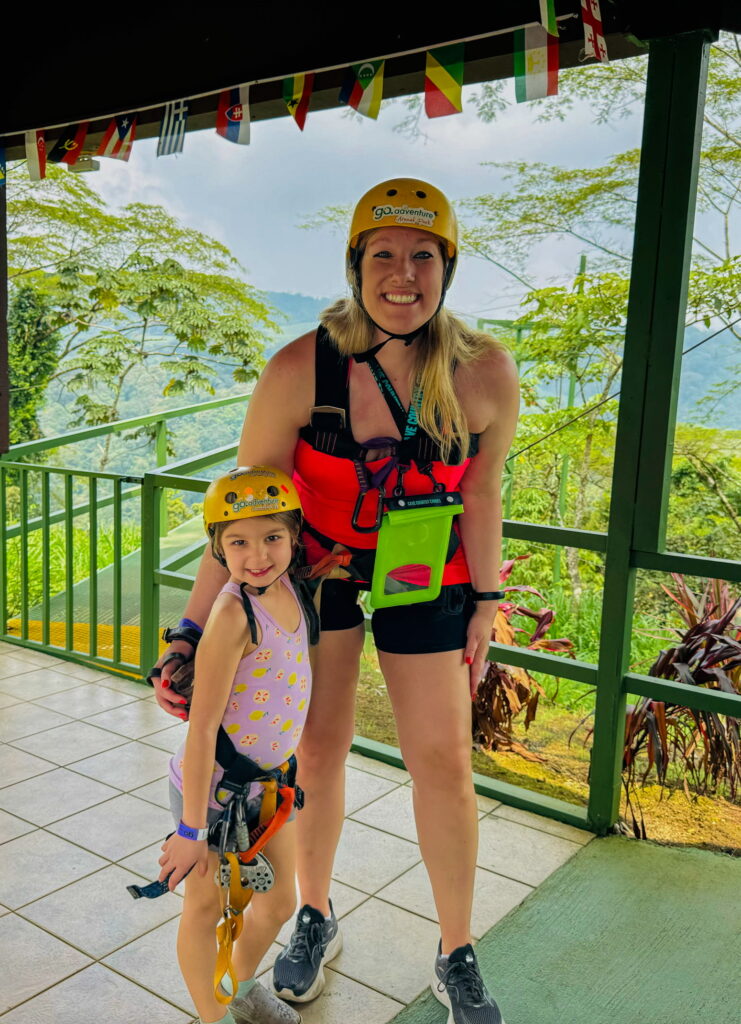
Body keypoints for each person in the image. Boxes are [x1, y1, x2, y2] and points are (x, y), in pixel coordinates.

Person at [153, 178, 520, 1024]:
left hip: (428, 578)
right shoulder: (300, 370)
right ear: (355, 267)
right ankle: (312, 914)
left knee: (443, 760)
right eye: (382, 254)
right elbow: (239, 513)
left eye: (422, 256)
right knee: (316, 753)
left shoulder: (482, 373)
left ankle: (456, 950)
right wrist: (189, 631)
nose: (403, 274)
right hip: (319, 575)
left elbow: (482, 492)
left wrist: (485, 601)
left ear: (447, 268)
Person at [158, 466, 312, 1024]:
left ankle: (240, 986)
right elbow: (201, 729)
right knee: (204, 909)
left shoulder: (291, 586)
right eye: (239, 542)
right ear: (218, 548)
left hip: (269, 788)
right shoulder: (232, 615)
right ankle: (214, 1017)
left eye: (272, 537)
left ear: (294, 536)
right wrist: (190, 831)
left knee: (279, 902)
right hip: (215, 793)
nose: (258, 555)